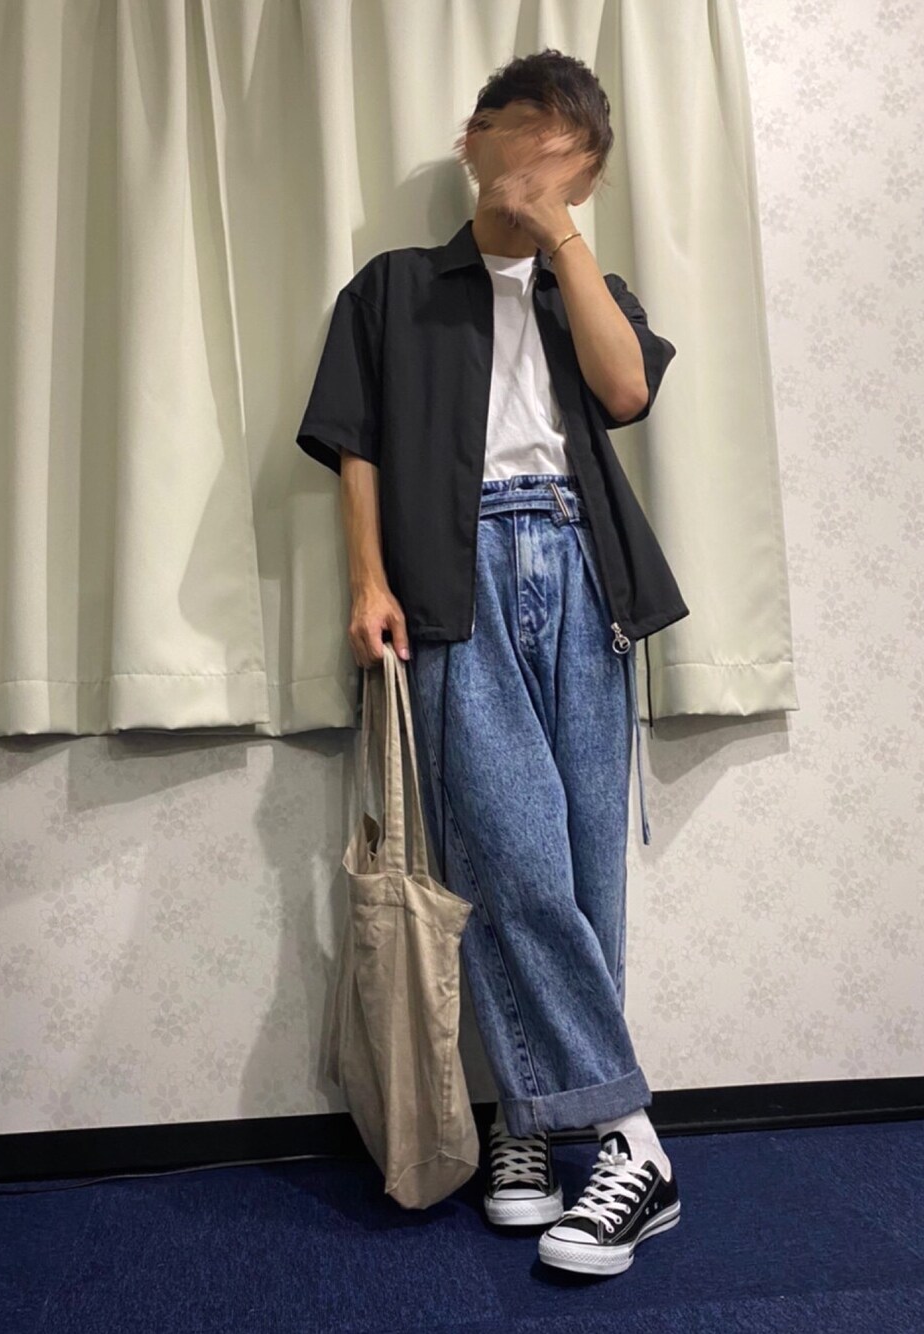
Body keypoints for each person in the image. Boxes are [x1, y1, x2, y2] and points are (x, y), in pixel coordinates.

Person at [296, 48, 687, 1278]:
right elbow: (356, 443)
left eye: (573, 161)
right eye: (529, 140)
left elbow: (625, 393)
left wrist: (562, 241)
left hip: (584, 573)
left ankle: (537, 1117)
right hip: (451, 576)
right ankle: (628, 1141)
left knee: (579, 876)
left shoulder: (589, 286)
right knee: (508, 859)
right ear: (476, 137)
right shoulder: (394, 286)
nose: (543, 170)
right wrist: (367, 581)